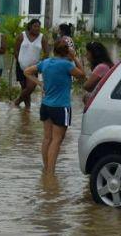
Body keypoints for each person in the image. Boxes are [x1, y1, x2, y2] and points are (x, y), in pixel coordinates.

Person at [24, 40, 85, 175]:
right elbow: (82, 75)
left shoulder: (46, 62)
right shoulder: (67, 65)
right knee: (56, 140)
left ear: (55, 51)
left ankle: (46, 169)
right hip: (61, 107)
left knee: (47, 138)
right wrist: (75, 57)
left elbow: (27, 71)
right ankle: (51, 173)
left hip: (46, 106)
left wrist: (40, 83)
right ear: (66, 52)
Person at [13, 18, 49, 108]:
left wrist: (41, 64)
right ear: (30, 26)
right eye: (35, 26)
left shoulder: (42, 37)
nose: (37, 28)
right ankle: (27, 110)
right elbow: (16, 50)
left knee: (31, 87)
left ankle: (17, 102)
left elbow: (46, 52)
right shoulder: (22, 35)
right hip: (21, 66)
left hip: (33, 67)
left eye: (38, 26)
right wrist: (19, 60)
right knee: (24, 87)